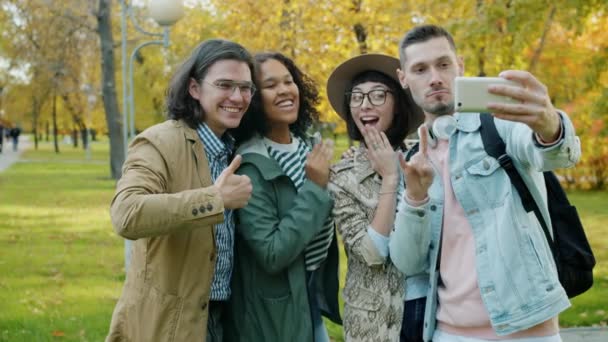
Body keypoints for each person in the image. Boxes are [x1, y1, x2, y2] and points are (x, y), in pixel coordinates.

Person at [390, 25, 581, 342]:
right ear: (403, 78)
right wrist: (415, 197)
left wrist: (550, 124)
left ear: (460, 66)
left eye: (443, 64)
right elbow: (408, 262)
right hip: (448, 333)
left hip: (529, 329)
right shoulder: (412, 162)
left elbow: (555, 155)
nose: (435, 77)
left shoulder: (501, 124)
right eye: (420, 69)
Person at [106, 39, 254, 342]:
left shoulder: (235, 149)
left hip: (225, 318)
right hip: (170, 324)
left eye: (246, 87)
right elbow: (127, 214)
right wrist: (216, 199)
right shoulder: (159, 142)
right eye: (225, 85)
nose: (238, 97)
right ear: (195, 89)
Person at [225, 52, 341, 342]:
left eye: (289, 81)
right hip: (274, 316)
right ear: (253, 98)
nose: (285, 90)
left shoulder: (307, 148)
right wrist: (315, 189)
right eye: (271, 85)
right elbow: (272, 253)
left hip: (308, 300)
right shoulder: (249, 165)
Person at [326, 53, 433, 342]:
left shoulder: (427, 157)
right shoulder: (341, 175)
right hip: (376, 319)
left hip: (435, 307)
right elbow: (372, 253)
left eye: (377, 95)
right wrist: (390, 178)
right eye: (357, 97)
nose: (365, 104)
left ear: (397, 104)